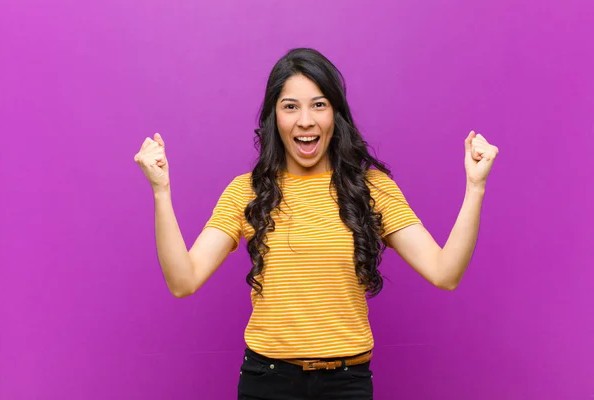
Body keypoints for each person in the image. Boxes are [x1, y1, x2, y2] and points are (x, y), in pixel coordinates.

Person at [134, 48, 499, 400]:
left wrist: (475, 187)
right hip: (267, 381)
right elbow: (183, 281)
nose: (305, 121)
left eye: (318, 105)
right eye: (290, 106)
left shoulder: (372, 189)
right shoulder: (247, 191)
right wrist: (161, 192)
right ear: (274, 118)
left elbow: (444, 272)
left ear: (335, 114)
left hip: (347, 382)